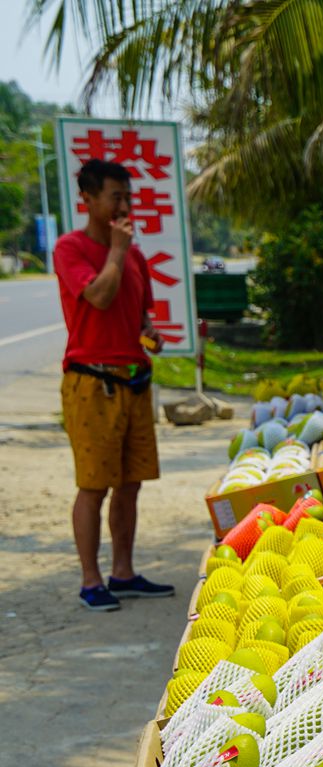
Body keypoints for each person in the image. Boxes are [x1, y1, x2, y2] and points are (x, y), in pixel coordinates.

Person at [53, 158, 173, 611]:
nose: (124, 205)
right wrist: (118, 251)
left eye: (128, 196)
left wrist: (150, 334)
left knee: (130, 483)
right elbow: (100, 297)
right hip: (91, 381)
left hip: (134, 379)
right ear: (88, 198)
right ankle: (91, 580)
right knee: (94, 485)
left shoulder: (137, 256)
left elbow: (137, 312)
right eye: (115, 197)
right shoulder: (72, 248)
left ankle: (123, 572)